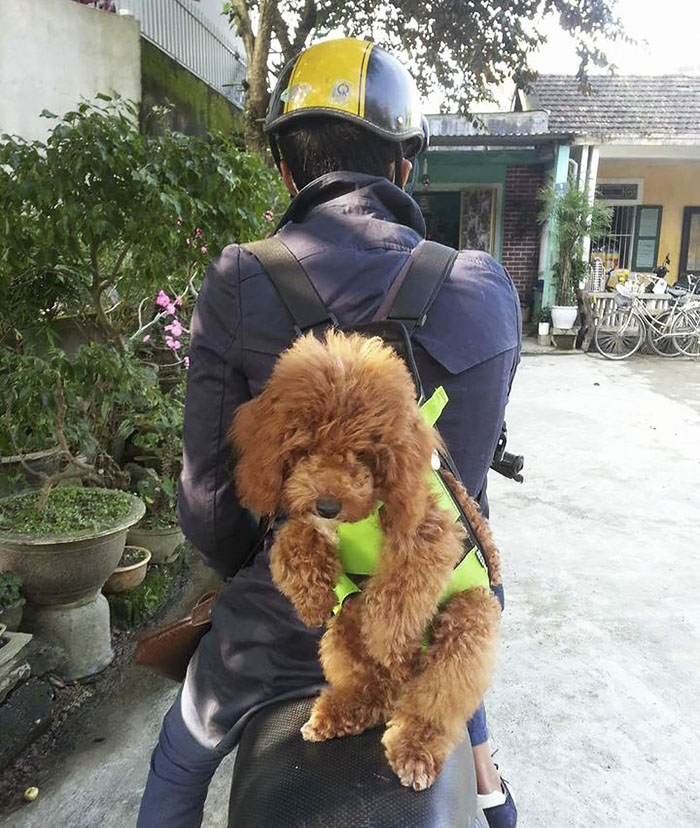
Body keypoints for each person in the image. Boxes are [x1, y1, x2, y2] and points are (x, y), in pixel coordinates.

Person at [137, 37, 520, 828]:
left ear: (285, 169)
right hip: (427, 609)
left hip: (282, 626)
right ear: (405, 167)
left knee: (178, 758)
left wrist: (283, 561)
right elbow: (466, 490)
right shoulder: (487, 289)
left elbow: (209, 507)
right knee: (470, 716)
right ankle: (489, 785)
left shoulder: (241, 278)